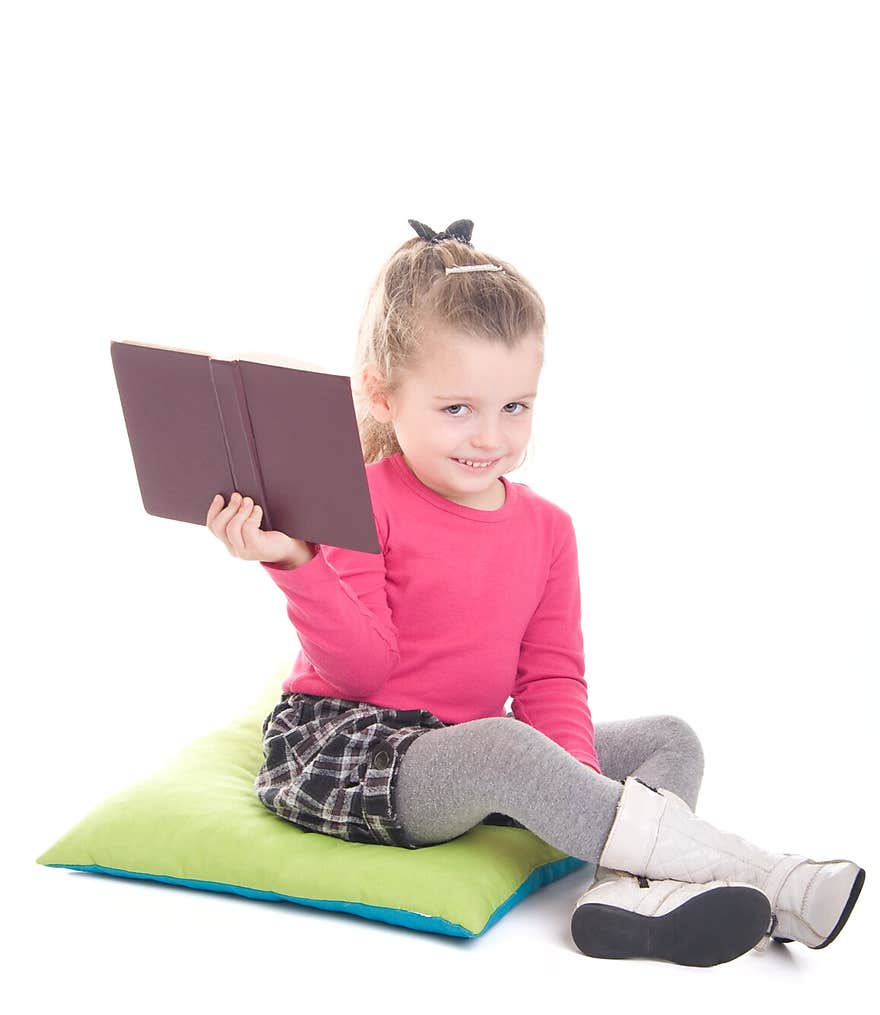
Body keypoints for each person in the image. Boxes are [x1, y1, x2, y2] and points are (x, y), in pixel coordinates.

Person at [206, 217, 865, 968]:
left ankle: (619, 896)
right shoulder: (361, 500)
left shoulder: (548, 530)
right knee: (506, 748)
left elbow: (551, 677)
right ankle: (769, 877)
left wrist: (575, 789)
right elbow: (359, 669)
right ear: (383, 396)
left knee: (668, 737)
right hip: (347, 746)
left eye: (514, 407)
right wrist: (296, 560)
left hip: (469, 747)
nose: (490, 437)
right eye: (458, 409)